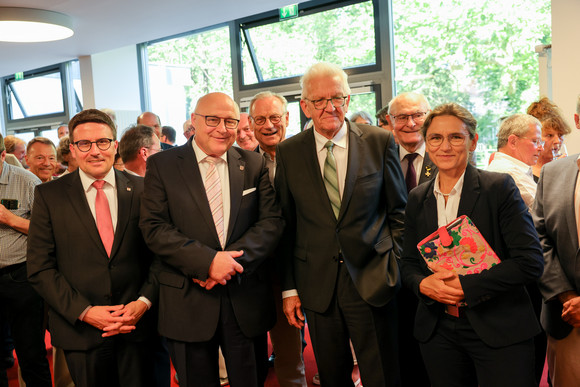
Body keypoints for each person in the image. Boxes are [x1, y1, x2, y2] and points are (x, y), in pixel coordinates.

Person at [140, 92, 284, 387]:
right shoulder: (163, 166)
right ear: (194, 121)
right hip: (187, 300)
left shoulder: (253, 164)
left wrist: (226, 263)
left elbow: (270, 222)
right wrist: (207, 262)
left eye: (230, 121)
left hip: (244, 298)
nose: (223, 128)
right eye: (213, 120)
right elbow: (154, 227)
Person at [276, 62, 406, 386]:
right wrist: (290, 289)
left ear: (348, 100)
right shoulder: (289, 152)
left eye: (336, 97)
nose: (329, 107)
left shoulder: (380, 142)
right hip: (317, 287)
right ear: (305, 106)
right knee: (332, 376)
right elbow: (286, 226)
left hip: (374, 279)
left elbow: (399, 215)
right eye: (318, 100)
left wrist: (395, 269)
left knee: (383, 375)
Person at [400, 102, 544, 387]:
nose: (445, 146)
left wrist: (466, 286)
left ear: (473, 142)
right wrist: (421, 285)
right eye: (436, 138)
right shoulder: (417, 198)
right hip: (438, 331)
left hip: (498, 327)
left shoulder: (498, 188)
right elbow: (407, 264)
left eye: (456, 137)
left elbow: (530, 262)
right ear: (427, 145)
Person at [27, 109, 159, 387]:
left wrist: (143, 302)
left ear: (115, 146)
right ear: (72, 149)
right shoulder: (49, 196)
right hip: (81, 331)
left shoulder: (144, 189)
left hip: (137, 326)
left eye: (102, 142)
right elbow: (40, 267)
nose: (95, 151)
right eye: (84, 144)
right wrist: (86, 311)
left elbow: (160, 255)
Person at [249, 91, 307, 387]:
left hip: (312, 265)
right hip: (263, 271)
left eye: (274, 117)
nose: (268, 125)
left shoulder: (307, 155)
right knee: (282, 350)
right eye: (260, 119)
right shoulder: (243, 165)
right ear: (250, 123)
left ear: (287, 118)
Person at [389, 91, 435, 386]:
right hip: (393, 272)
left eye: (417, 115)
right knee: (402, 354)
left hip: (438, 271)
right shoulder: (379, 159)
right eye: (402, 117)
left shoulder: (448, 155)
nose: (410, 123)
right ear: (390, 122)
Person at [0, 134, 52, 386]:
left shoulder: (26, 181)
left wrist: (11, 219)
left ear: (3, 156)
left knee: (31, 354)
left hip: (20, 277)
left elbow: (49, 230)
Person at [533, 149, 580, 387]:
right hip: (565, 316)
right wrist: (567, 295)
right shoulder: (552, 172)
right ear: (577, 120)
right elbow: (538, 240)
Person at [487, 114, 543, 209]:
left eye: (541, 142)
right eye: (535, 141)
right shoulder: (510, 172)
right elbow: (545, 210)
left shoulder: (506, 167)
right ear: (513, 142)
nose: (541, 148)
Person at [527, 98, 572, 180]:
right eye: (550, 135)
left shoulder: (567, 168)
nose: (557, 141)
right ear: (535, 138)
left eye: (560, 135)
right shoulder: (526, 173)